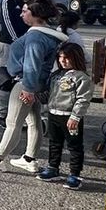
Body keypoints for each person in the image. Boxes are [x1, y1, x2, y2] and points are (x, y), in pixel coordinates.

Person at [0, 0, 65, 171]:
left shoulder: (35, 37)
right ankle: (29, 159)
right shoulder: (48, 34)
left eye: (25, 11)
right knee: (34, 121)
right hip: (37, 83)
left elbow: (31, 64)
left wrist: (28, 88)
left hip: (25, 83)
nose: (21, 14)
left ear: (36, 14)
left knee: (13, 122)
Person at [39, 42, 94, 188]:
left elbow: (83, 99)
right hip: (53, 114)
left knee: (74, 146)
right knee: (54, 143)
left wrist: (76, 116)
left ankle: (75, 174)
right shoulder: (56, 75)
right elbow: (48, 93)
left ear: (76, 57)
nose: (63, 60)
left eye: (67, 57)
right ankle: (53, 167)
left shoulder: (82, 78)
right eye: (60, 57)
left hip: (70, 117)